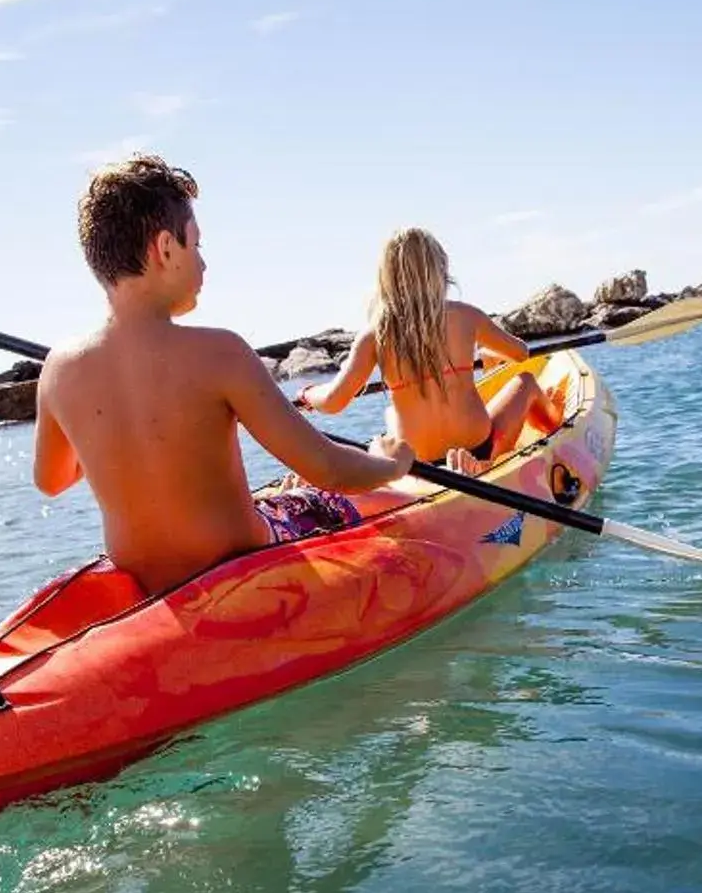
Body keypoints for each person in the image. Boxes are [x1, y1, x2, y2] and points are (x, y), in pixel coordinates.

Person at [33, 156, 413, 597]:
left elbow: (52, 480)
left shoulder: (59, 370)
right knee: (333, 500)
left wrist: (106, 432)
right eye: (196, 245)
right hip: (241, 561)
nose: (204, 265)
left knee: (280, 494)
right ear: (165, 249)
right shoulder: (221, 353)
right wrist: (391, 462)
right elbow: (328, 467)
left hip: (149, 582)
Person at [298, 229, 556, 471]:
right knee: (526, 381)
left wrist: (308, 394)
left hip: (419, 464)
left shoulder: (374, 334)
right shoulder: (467, 316)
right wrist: (489, 353)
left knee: (391, 416)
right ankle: (558, 427)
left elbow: (333, 401)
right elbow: (520, 353)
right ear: (440, 271)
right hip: (480, 447)